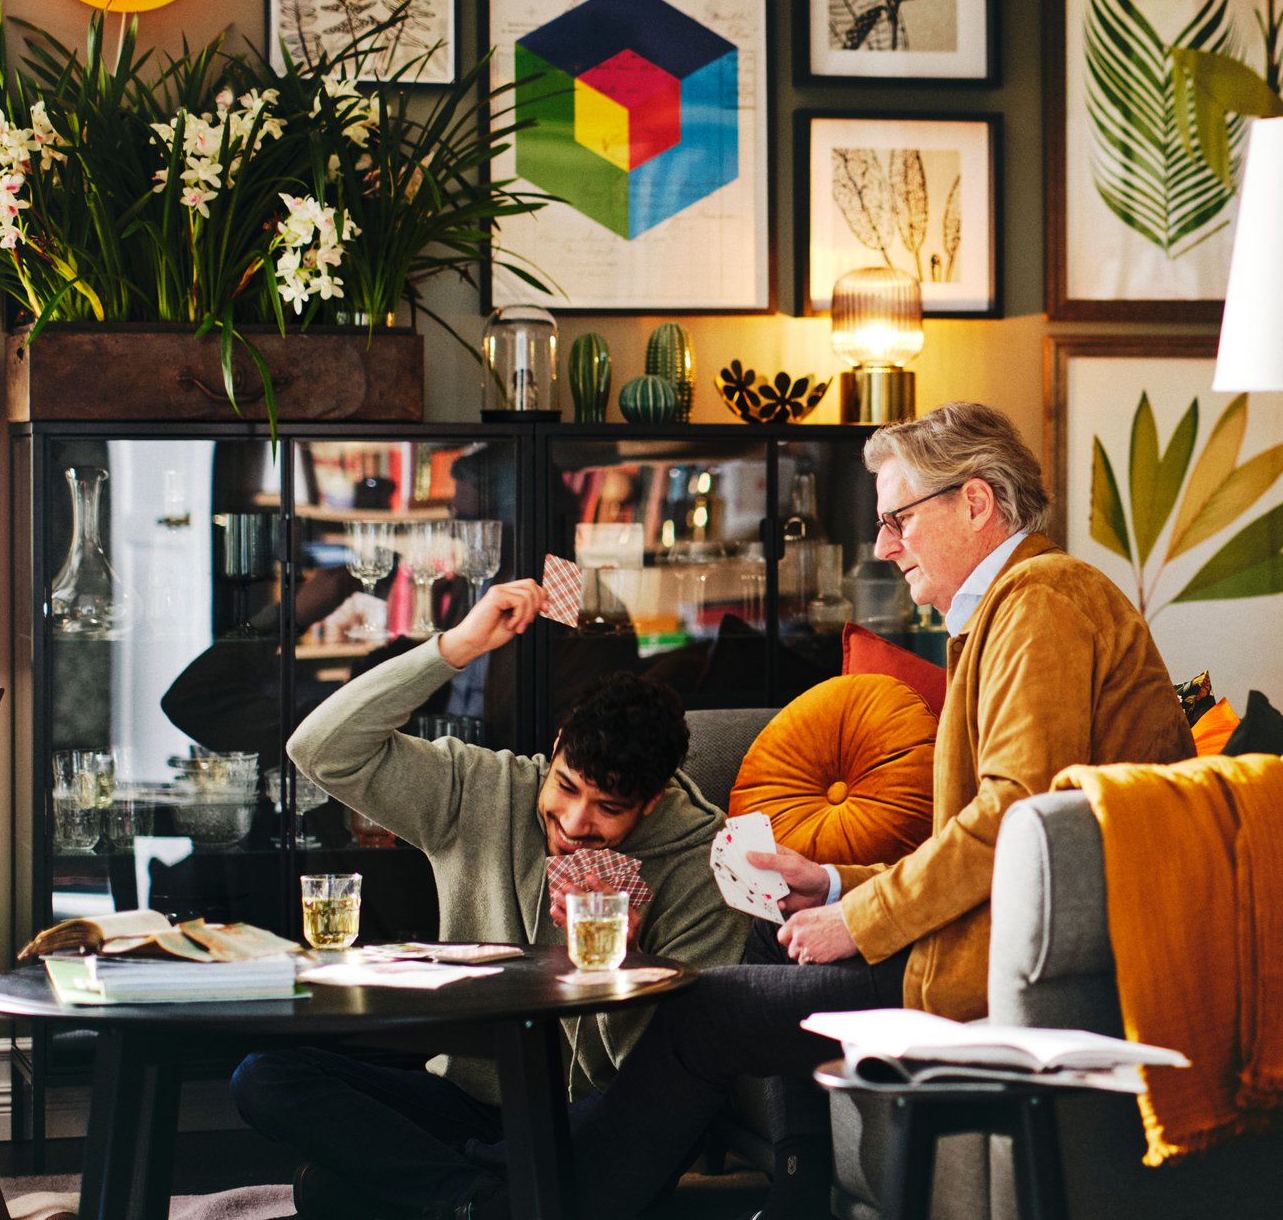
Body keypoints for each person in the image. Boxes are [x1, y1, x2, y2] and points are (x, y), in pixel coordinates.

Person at [477, 400, 1196, 1220]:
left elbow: (1013, 818)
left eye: (898, 518)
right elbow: (1001, 831)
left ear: (975, 502)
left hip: (1018, 966)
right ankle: (788, 1189)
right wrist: (829, 882)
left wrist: (859, 920)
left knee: (705, 1008)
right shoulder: (1008, 612)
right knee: (765, 932)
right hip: (990, 936)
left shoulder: (1043, 602)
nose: (886, 544)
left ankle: (521, 1202)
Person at [230, 578, 748, 1220]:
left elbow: (674, 1067)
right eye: (567, 787)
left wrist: (626, 961)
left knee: (340, 1194)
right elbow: (320, 750)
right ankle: (478, 1201)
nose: (576, 821)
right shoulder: (482, 789)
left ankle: (423, 1192)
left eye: (610, 809)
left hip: (596, 1116)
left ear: (654, 800)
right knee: (266, 1077)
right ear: (555, 748)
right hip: (469, 1097)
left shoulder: (709, 863)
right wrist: (455, 646)